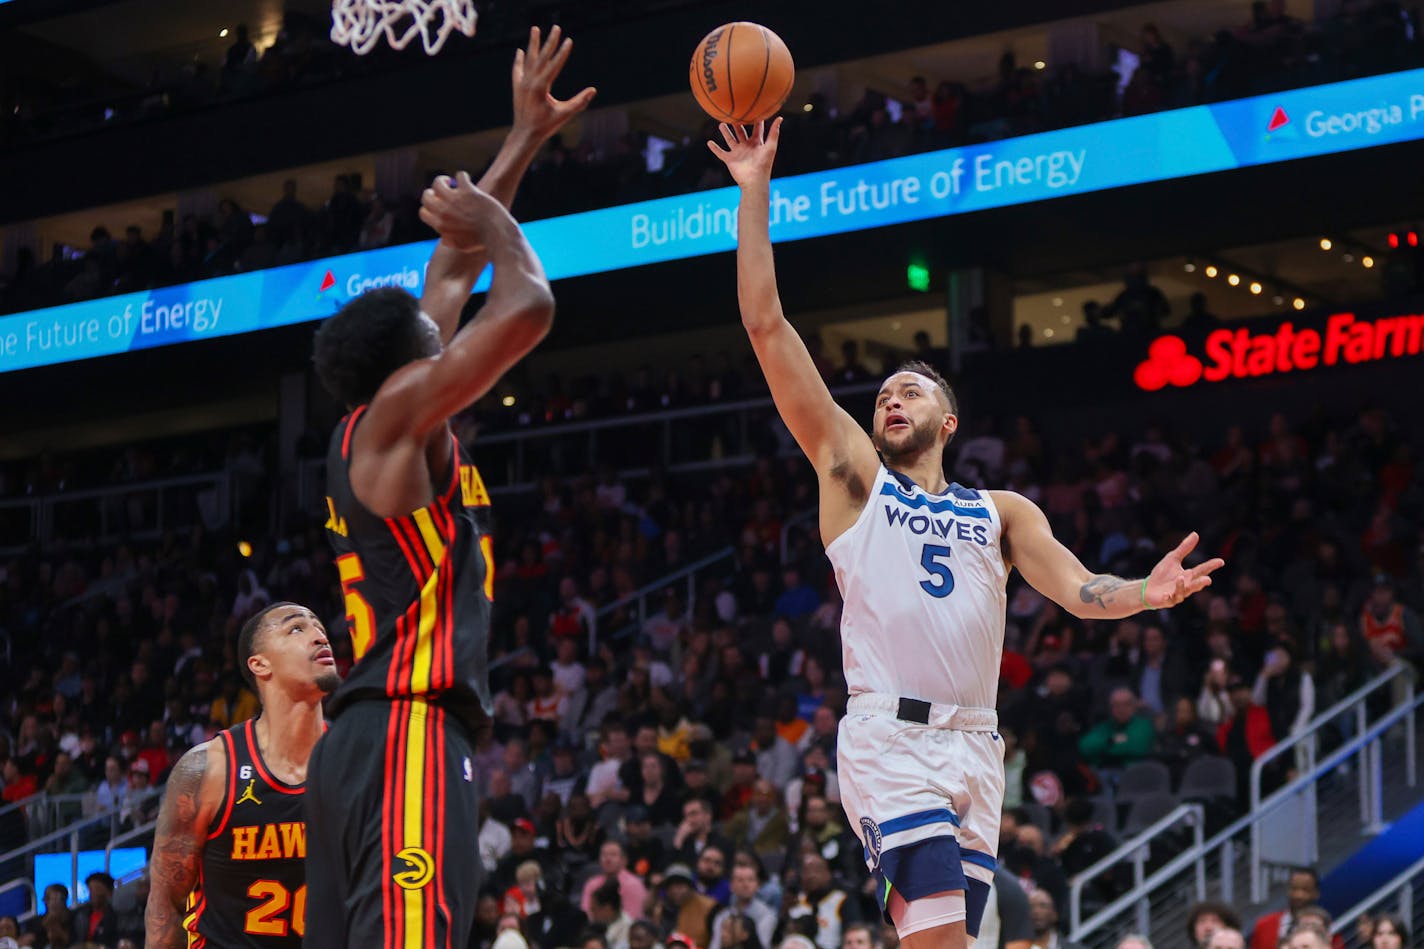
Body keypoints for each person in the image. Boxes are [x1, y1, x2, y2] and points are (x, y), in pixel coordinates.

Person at [708, 117, 1223, 949]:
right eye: (883, 394)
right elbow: (765, 325)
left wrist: (1145, 595)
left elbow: (1080, 589)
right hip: (891, 737)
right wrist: (754, 189)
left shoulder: (1003, 511)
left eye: (909, 391)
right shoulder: (853, 476)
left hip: (977, 745)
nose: (890, 400)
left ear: (949, 420)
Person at [305, 26, 594, 949]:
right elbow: (527, 303)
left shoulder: (389, 420)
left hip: (365, 741)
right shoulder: (399, 415)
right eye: (435, 340)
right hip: (407, 733)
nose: (448, 332)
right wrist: (503, 226)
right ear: (406, 368)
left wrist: (523, 140)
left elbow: (454, 269)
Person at [144, 602, 340, 947]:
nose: (318, 636)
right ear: (259, 663)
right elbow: (167, 904)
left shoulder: (357, 761)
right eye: (297, 628)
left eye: (320, 627)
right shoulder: (207, 769)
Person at [1248, 867, 1326, 949]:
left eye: (1305, 890)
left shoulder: (1326, 929)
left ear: (1316, 893)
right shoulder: (1263, 926)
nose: (1298, 895)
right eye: (1294, 888)